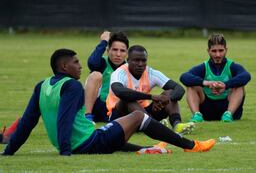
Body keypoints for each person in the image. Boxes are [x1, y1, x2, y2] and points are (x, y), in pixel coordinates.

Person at [1, 49, 215, 156]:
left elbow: (28, 121)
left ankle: (147, 149)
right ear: (64, 67)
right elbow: (64, 119)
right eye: (76, 63)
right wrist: (66, 152)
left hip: (81, 142)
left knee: (117, 129)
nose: (80, 66)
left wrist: (9, 151)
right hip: (86, 143)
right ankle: (190, 146)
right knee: (138, 116)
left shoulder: (42, 86)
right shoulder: (72, 86)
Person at [106, 45, 195, 135]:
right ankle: (154, 125)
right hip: (119, 117)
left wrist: (164, 100)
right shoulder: (119, 73)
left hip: (144, 113)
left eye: (143, 60)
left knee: (169, 93)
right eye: (136, 60)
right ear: (128, 60)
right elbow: (119, 92)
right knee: (127, 99)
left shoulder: (151, 73)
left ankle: (177, 125)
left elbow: (179, 89)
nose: (140, 64)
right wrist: (152, 97)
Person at [179, 33, 251, 122]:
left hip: (228, 107)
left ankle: (228, 115)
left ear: (226, 50)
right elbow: (184, 77)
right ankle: (197, 116)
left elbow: (246, 76)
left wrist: (225, 85)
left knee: (239, 85)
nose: (218, 55)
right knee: (191, 86)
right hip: (207, 111)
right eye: (214, 51)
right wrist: (207, 83)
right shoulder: (203, 67)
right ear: (208, 51)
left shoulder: (232, 66)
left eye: (221, 50)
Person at [84, 31, 129, 122]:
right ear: (108, 51)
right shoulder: (102, 63)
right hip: (97, 106)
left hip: (117, 109)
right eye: (115, 50)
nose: (118, 54)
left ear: (127, 53)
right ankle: (87, 116)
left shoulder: (129, 67)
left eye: (122, 51)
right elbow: (92, 63)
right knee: (95, 75)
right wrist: (104, 42)